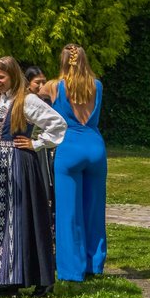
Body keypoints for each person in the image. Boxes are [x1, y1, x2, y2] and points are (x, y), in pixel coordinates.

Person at [0, 56, 67, 297]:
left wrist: (36, 143)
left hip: (19, 165)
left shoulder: (28, 100)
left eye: (0, 77)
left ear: (13, 76)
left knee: (22, 219)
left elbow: (57, 124)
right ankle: (2, 279)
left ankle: (35, 278)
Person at [41, 44, 108, 283]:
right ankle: (94, 264)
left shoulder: (54, 87)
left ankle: (71, 270)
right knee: (94, 210)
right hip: (95, 148)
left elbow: (34, 102)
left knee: (68, 213)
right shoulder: (97, 86)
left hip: (68, 147)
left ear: (63, 62)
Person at [25, 66, 55, 223]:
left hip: (42, 149)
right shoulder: (26, 101)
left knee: (46, 184)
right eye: (38, 82)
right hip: (30, 148)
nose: (42, 85)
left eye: (44, 81)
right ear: (28, 83)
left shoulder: (46, 100)